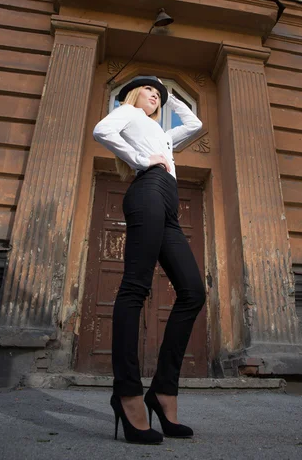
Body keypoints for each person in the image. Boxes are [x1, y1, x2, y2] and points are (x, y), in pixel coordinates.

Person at [93, 76, 206, 445]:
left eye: (159, 93)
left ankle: (162, 391)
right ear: (133, 95)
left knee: (192, 292)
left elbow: (195, 125)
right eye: (149, 90)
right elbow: (101, 131)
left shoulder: (165, 134)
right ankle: (127, 393)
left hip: (168, 202)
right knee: (135, 287)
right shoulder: (127, 112)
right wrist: (143, 159)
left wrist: (171, 99)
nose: (154, 95)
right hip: (148, 190)